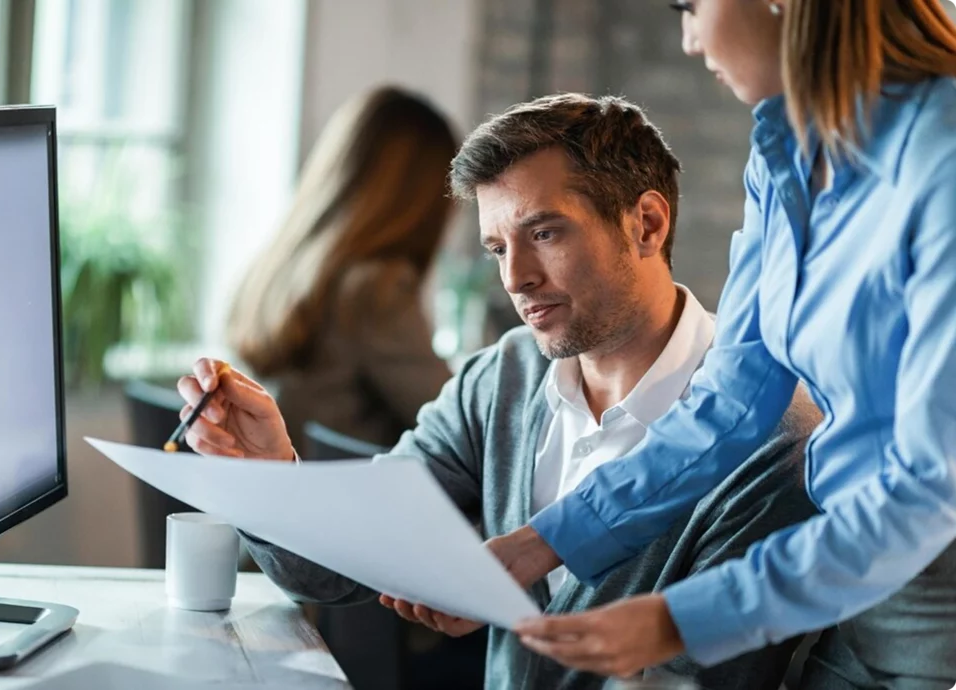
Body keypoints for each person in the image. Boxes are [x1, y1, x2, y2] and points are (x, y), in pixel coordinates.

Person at [178, 93, 821, 689]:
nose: (515, 278)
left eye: (545, 232)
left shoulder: (770, 446)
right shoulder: (504, 377)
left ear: (647, 225)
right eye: (496, 247)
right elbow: (332, 571)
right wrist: (270, 479)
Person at [477, 1, 956, 686]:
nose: (690, 38)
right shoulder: (784, 158)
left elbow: (932, 485)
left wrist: (678, 617)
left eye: (691, 6)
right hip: (853, 596)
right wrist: (544, 542)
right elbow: (732, 400)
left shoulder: (943, 157)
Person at [225, 86, 456, 449]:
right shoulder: (375, 287)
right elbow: (456, 423)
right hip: (340, 497)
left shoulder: (279, 266)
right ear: (420, 200)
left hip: (280, 489)